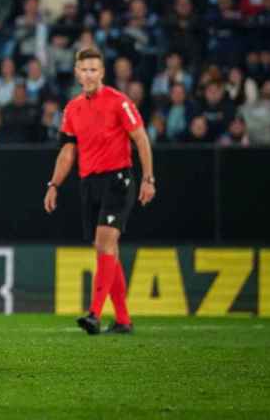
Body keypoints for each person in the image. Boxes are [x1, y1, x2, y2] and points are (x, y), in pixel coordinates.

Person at [43, 47, 156, 335]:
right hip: (89, 183)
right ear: (78, 73)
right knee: (107, 248)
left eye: (95, 69)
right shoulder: (72, 109)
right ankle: (123, 320)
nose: (90, 74)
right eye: (85, 69)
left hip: (118, 178)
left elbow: (141, 139)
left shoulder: (120, 102)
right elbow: (68, 152)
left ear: (102, 72)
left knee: (103, 244)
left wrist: (148, 178)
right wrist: (54, 184)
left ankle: (94, 313)